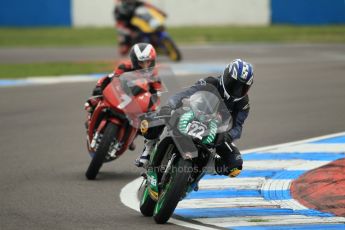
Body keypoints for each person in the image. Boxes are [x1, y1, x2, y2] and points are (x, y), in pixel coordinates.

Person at [135, 59, 254, 178]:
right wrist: (171, 106)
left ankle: (200, 171)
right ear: (226, 77)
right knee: (150, 121)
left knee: (235, 165)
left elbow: (237, 126)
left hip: (216, 132)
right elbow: (186, 93)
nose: (238, 90)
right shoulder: (210, 82)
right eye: (234, 84)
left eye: (242, 87)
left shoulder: (243, 104)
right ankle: (148, 148)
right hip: (194, 116)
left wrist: (228, 135)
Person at [84, 42, 161, 150]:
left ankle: (131, 138)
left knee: (145, 122)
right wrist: (99, 87)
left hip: (137, 101)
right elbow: (111, 78)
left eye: (148, 62)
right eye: (141, 62)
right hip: (120, 93)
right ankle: (92, 114)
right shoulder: (124, 66)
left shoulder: (155, 75)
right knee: (97, 95)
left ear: (152, 61)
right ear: (134, 60)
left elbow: (156, 94)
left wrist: (152, 108)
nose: (145, 65)